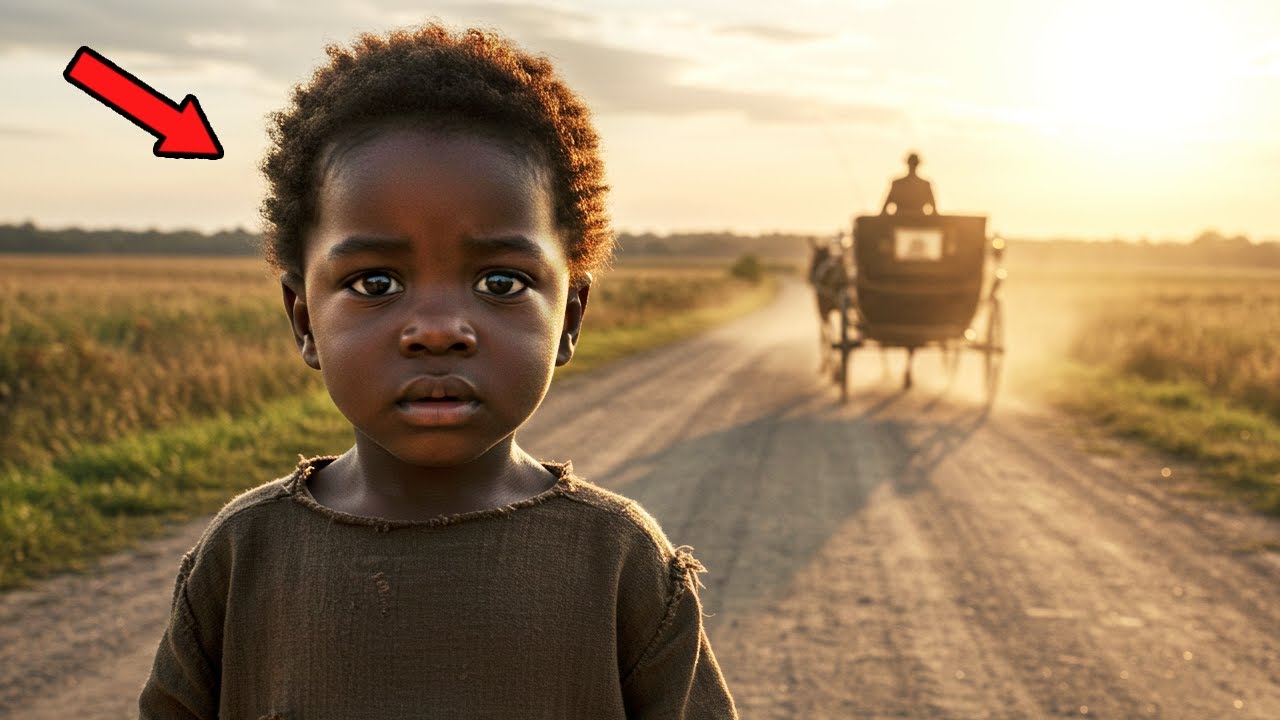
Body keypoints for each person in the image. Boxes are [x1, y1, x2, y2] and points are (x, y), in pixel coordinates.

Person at [138, 24, 736, 719]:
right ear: (305, 321)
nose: (437, 330)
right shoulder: (245, 554)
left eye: (502, 283)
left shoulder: (619, 560)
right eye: (376, 284)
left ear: (569, 317)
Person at [880, 151, 937, 216]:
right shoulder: (925, 184)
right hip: (903, 220)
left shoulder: (898, 183)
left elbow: (934, 210)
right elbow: (885, 208)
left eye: (914, 163)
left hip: (915, 221)